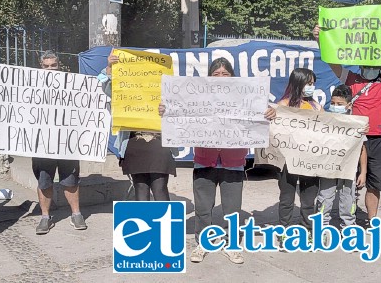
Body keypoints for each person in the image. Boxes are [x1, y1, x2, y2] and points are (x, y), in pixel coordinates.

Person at [159, 58, 276, 265]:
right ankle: (202, 243)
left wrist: (270, 112)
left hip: (234, 161)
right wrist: (166, 111)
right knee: (203, 207)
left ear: (232, 76)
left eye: (225, 73)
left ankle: (232, 246)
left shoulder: (246, 96)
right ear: (209, 77)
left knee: (232, 208)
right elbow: (177, 112)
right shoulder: (196, 96)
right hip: (205, 160)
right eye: (216, 73)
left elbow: (261, 114)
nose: (221, 77)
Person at [313, 12, 381, 223]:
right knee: (348, 182)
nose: (370, 67)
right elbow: (332, 60)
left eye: (373, 63)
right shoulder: (351, 78)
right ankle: (346, 217)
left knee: (374, 185)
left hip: (377, 139)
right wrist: (320, 38)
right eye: (366, 63)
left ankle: (372, 220)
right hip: (352, 139)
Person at [0, 51, 87, 235]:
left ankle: (76, 214)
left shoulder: (72, 84)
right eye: (46, 66)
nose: (49, 69)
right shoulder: (31, 84)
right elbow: (8, 93)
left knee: (71, 180)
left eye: (53, 65)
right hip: (41, 144)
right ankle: (45, 217)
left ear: (59, 65)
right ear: (41, 66)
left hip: (66, 143)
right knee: (44, 181)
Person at [99, 52, 176, 201]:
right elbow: (106, 87)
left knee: (160, 187)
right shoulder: (126, 89)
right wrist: (109, 67)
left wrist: (168, 109)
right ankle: (144, 223)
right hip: (134, 143)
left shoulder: (165, 89)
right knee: (140, 188)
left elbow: (179, 110)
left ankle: (166, 224)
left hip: (159, 143)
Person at [275, 68, 323, 247]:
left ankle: (308, 231)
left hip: (310, 161)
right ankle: (284, 232)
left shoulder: (316, 107)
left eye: (313, 84)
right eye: (309, 84)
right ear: (298, 83)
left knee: (308, 200)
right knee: (287, 199)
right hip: (288, 161)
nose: (312, 87)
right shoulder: (284, 105)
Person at [316, 85, 368, 232]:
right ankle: (321, 230)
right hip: (328, 168)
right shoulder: (325, 120)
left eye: (339, 104)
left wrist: (363, 172)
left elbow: (362, 149)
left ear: (349, 105)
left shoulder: (356, 124)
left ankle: (349, 231)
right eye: (332, 103)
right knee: (324, 198)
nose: (335, 106)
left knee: (348, 201)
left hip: (348, 170)